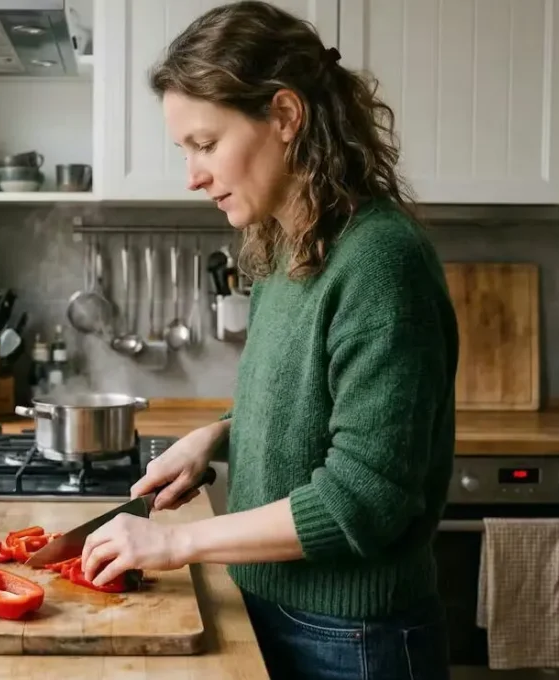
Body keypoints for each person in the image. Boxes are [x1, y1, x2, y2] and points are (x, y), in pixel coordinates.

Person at [76, 2, 458, 679]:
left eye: (205, 143)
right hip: (276, 611)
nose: (192, 175)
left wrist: (176, 544)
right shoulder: (289, 249)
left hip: (354, 641)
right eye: (185, 150)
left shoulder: (380, 262)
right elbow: (313, 402)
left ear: (284, 117)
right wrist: (217, 436)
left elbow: (360, 502)